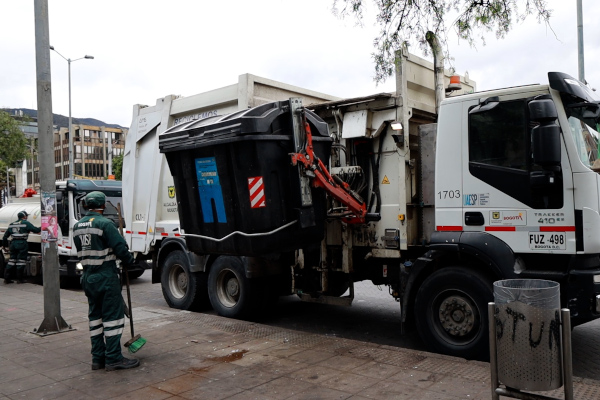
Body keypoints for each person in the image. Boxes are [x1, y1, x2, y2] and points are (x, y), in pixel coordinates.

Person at [73, 191, 140, 371]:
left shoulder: (77, 226)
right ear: (103, 206)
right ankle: (113, 358)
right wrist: (129, 261)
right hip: (105, 276)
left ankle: (98, 358)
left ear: (87, 205)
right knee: (113, 319)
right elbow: (120, 248)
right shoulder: (105, 224)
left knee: (96, 319)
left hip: (88, 277)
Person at [2, 211, 41, 284]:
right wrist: (43, 226)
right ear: (24, 216)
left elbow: (5, 236)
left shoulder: (12, 224)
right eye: (26, 216)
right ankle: (20, 279)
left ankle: (6, 278)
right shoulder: (26, 223)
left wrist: (4, 245)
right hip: (22, 244)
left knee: (11, 261)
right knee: (21, 261)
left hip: (13, 244)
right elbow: (36, 230)